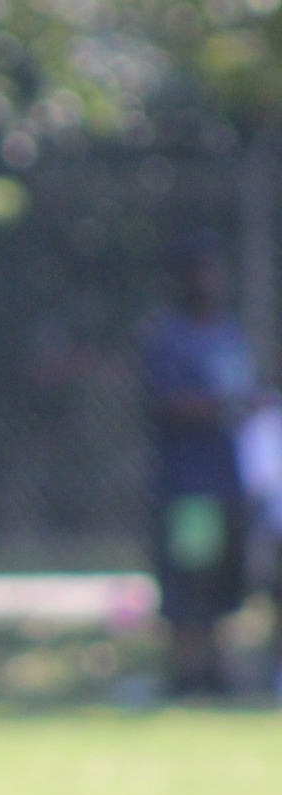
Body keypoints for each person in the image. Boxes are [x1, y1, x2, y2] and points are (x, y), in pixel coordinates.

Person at [141, 230, 257, 696]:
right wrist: (224, 405)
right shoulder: (169, 337)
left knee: (225, 578)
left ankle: (219, 669)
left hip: (230, 480)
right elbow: (168, 403)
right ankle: (187, 672)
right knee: (191, 576)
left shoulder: (229, 334)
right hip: (191, 484)